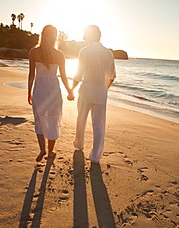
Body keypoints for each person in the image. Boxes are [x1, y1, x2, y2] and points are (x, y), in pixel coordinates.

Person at [70, 25, 116, 164]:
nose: (84, 38)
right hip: (100, 94)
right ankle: (95, 156)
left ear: (89, 36)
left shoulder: (84, 51)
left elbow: (78, 75)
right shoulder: (108, 53)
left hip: (86, 92)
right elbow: (112, 76)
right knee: (99, 125)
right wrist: (104, 88)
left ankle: (79, 145)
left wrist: (71, 90)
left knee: (81, 120)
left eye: (85, 35)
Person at [28, 24, 74, 162]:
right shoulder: (59, 55)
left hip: (39, 90)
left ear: (42, 35)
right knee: (52, 121)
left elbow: (31, 74)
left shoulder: (33, 52)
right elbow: (64, 77)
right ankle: (50, 152)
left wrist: (29, 92)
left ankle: (42, 149)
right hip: (53, 91)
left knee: (40, 120)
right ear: (55, 37)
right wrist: (70, 92)